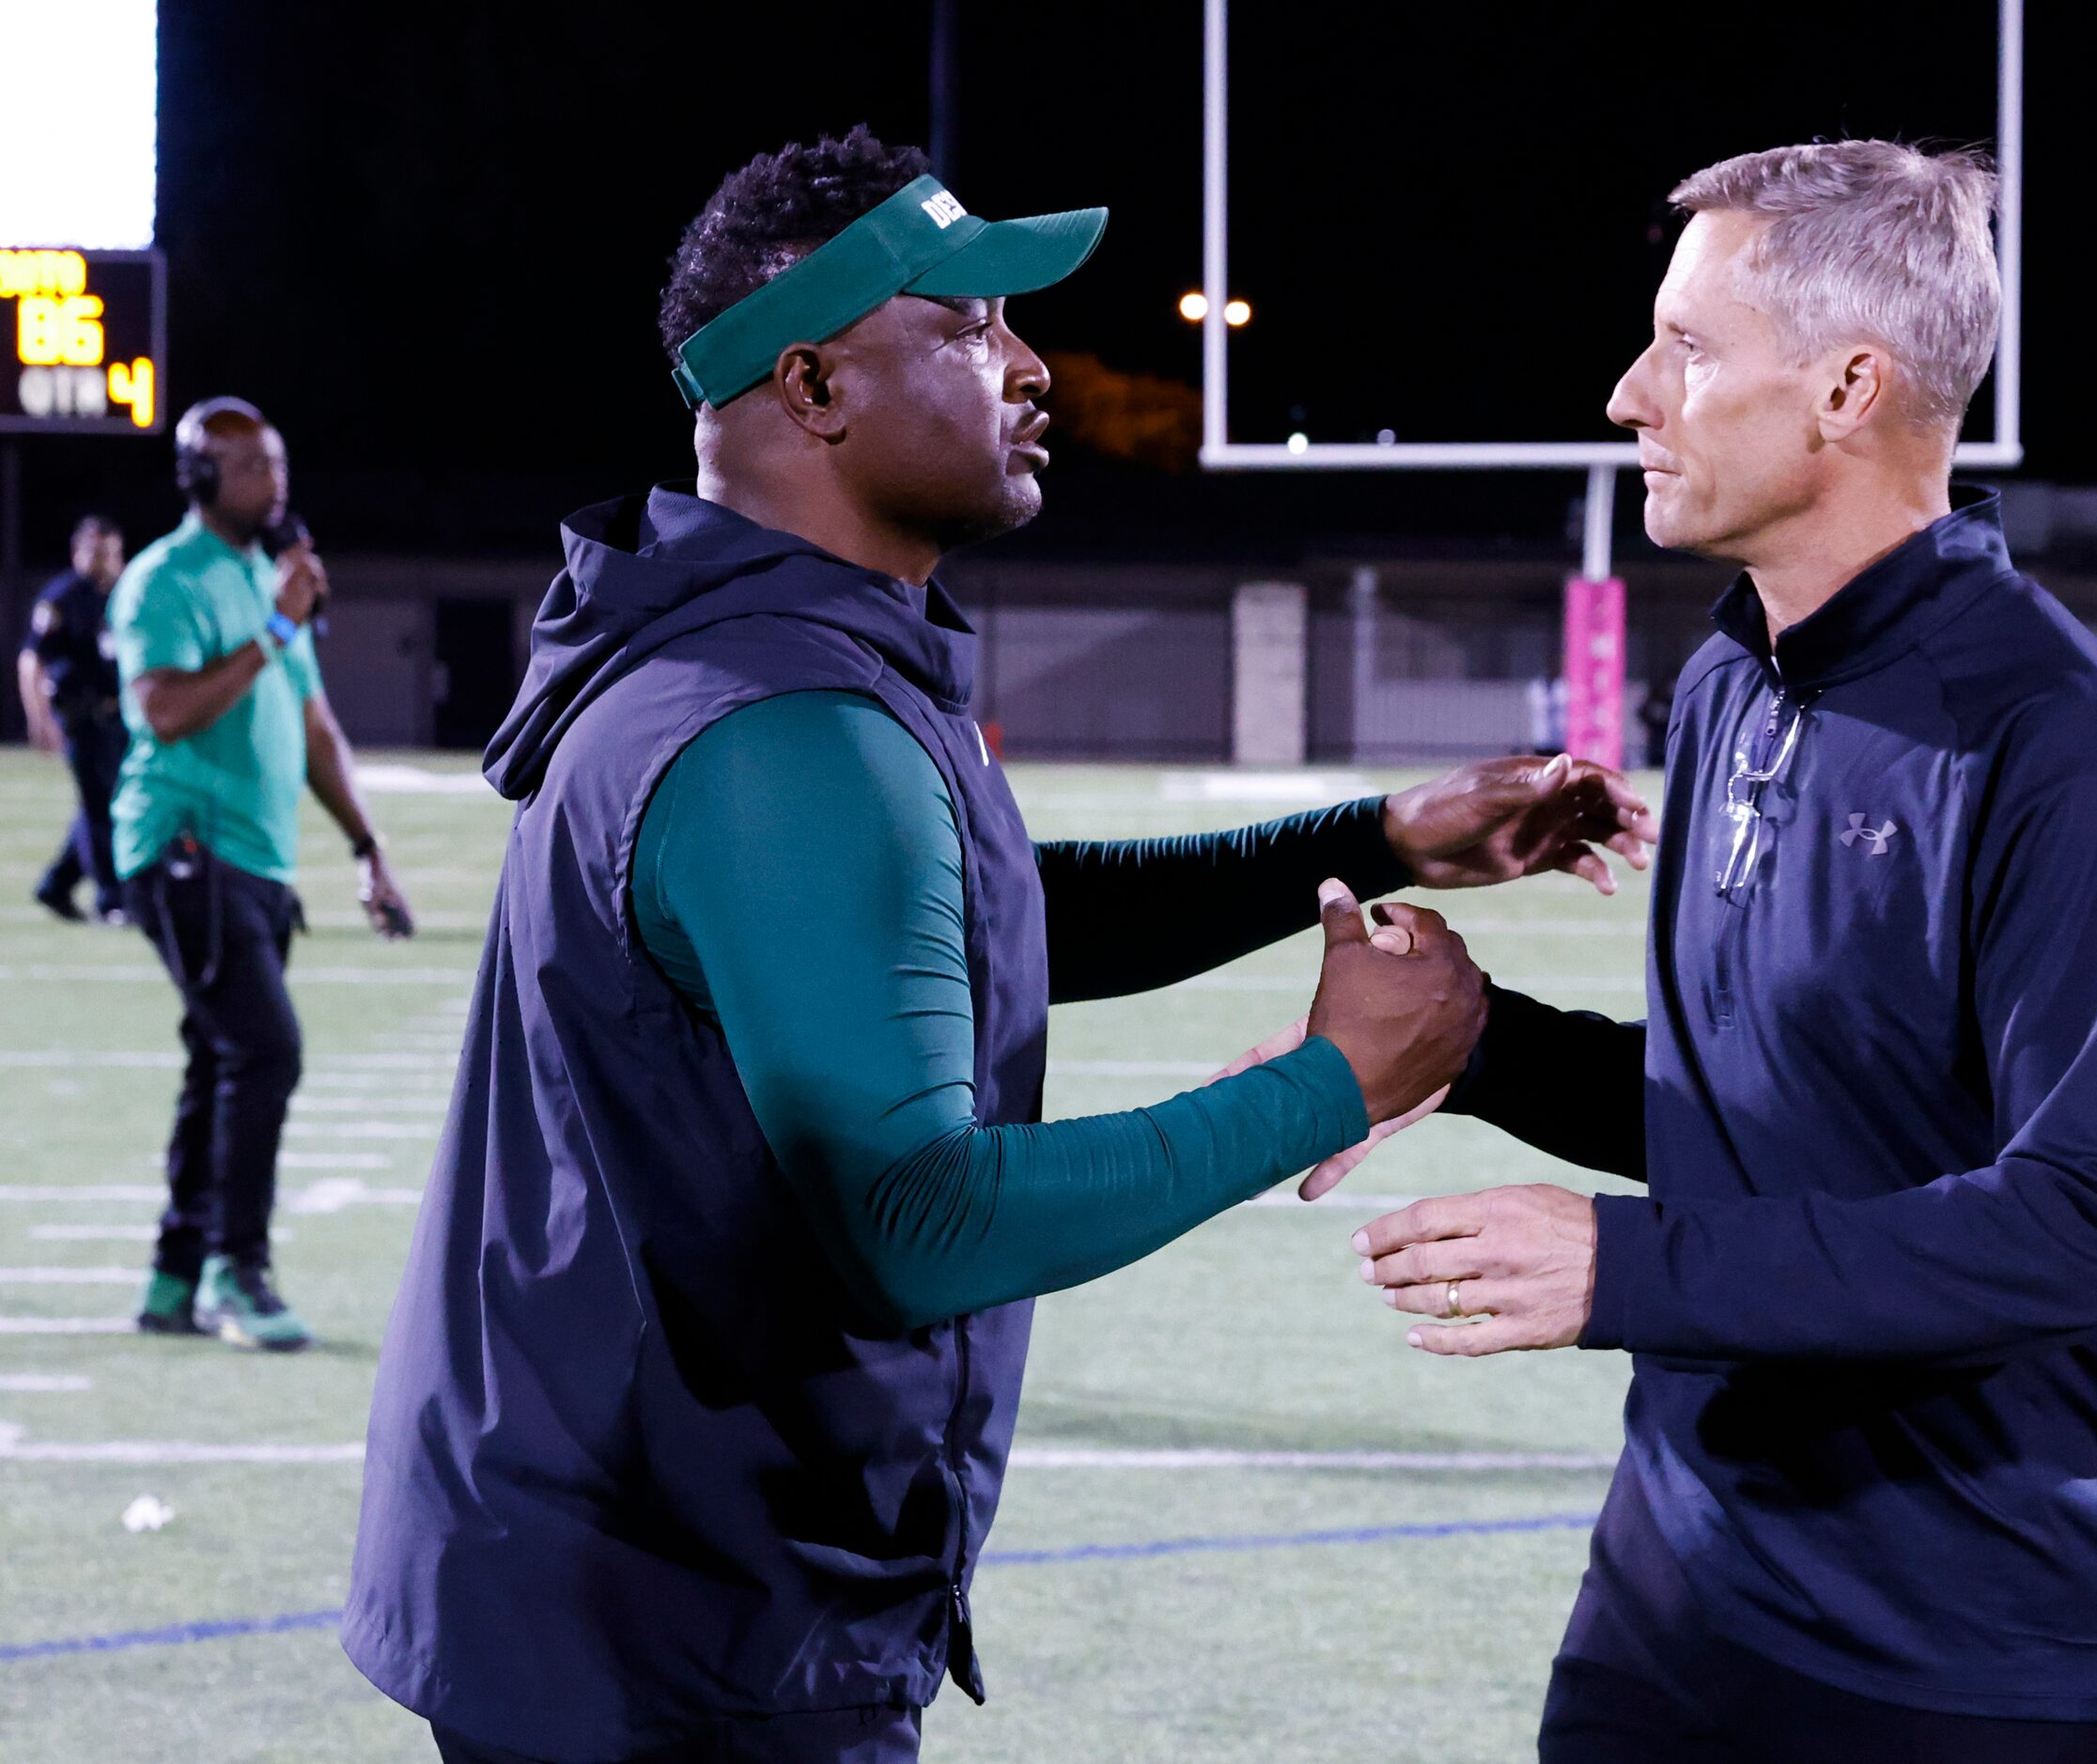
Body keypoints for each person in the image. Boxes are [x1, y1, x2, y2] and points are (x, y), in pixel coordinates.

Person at [342, 128, 1654, 1764]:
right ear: (812, 385)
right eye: (967, 326)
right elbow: (915, 1218)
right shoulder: (785, 725)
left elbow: (970, 914)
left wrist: (1371, 838)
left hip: (620, 1561)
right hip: (667, 1628)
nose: (1031, 367)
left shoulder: (759, 656)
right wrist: (1337, 1080)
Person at [1355, 142, 2097, 1763]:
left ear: (1847, 387)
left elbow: (2093, 1226)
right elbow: (1759, 1112)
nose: (1627, 395)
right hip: (1675, 1591)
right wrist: (1477, 1045)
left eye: (1685, 346)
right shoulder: (1736, 678)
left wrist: (1623, 1265)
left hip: (1954, 1648)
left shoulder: (2056, 732)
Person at [113, 395, 416, 1353]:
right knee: (265, 1051)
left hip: (256, 856)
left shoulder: (271, 582)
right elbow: (163, 711)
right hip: (184, 845)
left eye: (276, 464)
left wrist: (366, 847)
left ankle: (172, 1276)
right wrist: (278, 632)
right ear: (202, 479)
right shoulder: (164, 580)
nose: (273, 484)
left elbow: (316, 729)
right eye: (250, 468)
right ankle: (234, 1271)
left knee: (222, 1059)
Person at [19, 514, 131, 921]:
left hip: (119, 718)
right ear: (77, 553)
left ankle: (57, 884)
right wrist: (40, 718)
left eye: (109, 553)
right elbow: (31, 660)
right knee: (103, 809)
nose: (102, 561)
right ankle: (112, 899)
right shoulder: (62, 598)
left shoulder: (126, 594)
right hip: (80, 718)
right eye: (94, 553)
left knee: (101, 804)